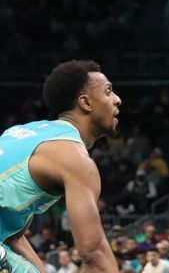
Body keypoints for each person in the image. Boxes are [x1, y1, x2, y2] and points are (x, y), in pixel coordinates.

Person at [0, 60, 122, 273]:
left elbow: (13, 237)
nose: (117, 100)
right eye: (108, 92)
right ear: (86, 103)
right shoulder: (76, 160)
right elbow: (95, 256)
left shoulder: (21, 131)